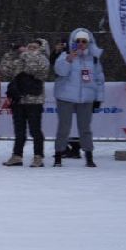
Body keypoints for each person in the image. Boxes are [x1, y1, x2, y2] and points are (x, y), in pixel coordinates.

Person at [53, 28, 105, 168]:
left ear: (89, 43)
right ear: (73, 42)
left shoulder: (93, 59)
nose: (81, 44)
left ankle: (89, 156)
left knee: (85, 128)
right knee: (64, 127)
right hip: (66, 97)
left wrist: (98, 98)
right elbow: (59, 71)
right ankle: (58, 156)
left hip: (86, 99)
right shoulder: (65, 55)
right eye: (78, 41)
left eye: (84, 41)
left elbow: (99, 79)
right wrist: (69, 60)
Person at [0, 39, 50, 167]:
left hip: (34, 100)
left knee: (35, 130)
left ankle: (38, 156)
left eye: (34, 47)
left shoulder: (43, 59)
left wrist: (26, 54)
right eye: (30, 46)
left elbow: (33, 69)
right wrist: (11, 53)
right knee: (19, 130)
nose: (31, 48)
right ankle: (17, 156)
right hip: (19, 99)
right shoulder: (22, 58)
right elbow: (5, 70)